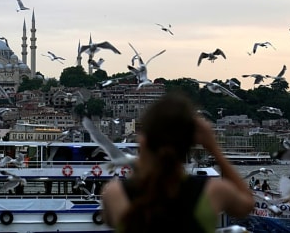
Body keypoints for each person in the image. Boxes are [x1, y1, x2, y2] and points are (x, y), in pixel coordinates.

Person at [101, 92, 254, 233]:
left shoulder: (115, 193)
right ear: (190, 143)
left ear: (143, 141)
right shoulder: (213, 192)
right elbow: (247, 204)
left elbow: (110, 221)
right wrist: (213, 148)